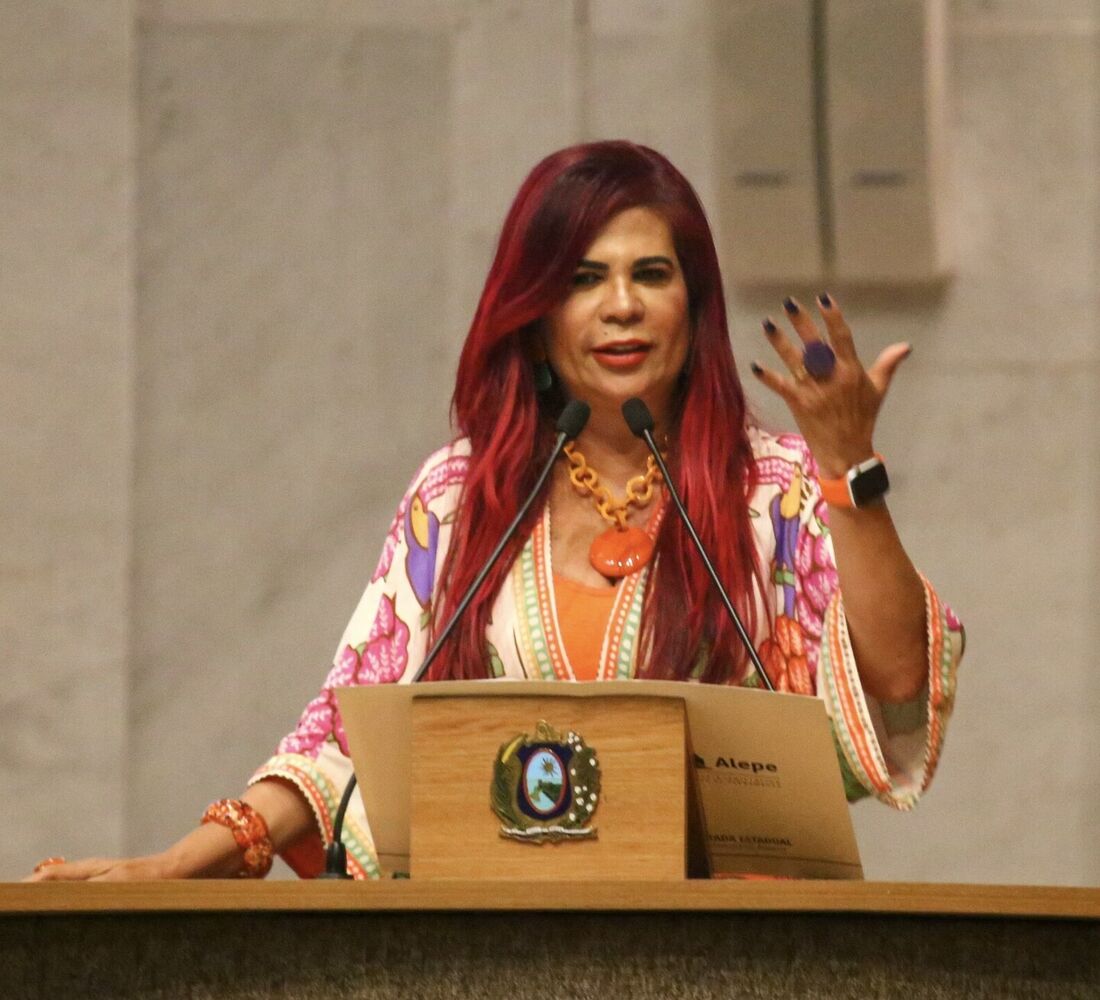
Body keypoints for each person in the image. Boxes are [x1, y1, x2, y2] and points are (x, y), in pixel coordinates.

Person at [28, 141, 963, 882]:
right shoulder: (462, 497)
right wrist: (193, 854)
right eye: (583, 279)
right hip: (491, 942)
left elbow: (893, 683)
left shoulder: (777, 488)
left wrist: (849, 468)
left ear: (694, 302)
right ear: (536, 318)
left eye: (651, 273)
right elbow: (347, 736)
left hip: (728, 952)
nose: (622, 306)